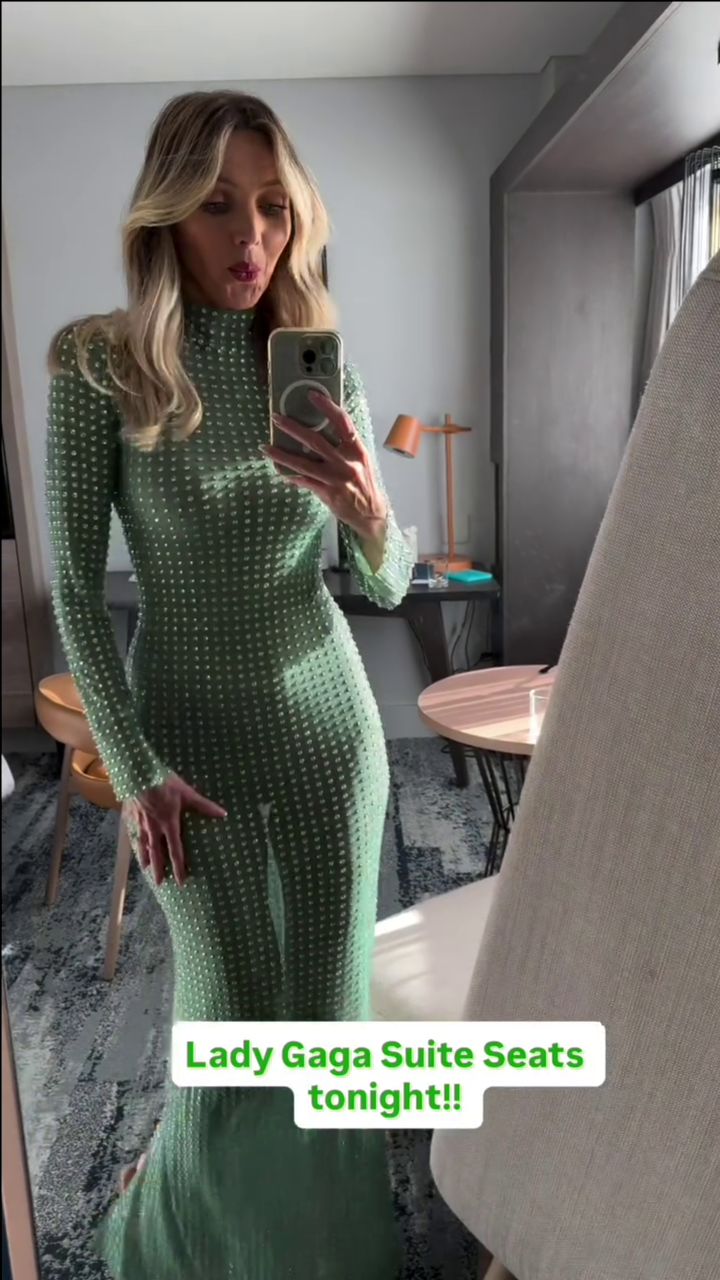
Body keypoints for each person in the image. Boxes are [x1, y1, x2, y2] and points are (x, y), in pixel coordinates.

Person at [45, 90, 413, 1280]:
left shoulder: (317, 368)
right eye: (217, 205)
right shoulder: (99, 363)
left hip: (328, 739)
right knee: (230, 1030)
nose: (251, 236)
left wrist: (372, 513)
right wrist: (135, 767)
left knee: (327, 1027)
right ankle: (195, 1245)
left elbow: (386, 581)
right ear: (167, 214)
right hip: (184, 750)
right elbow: (74, 587)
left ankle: (329, 1252)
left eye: (271, 206)